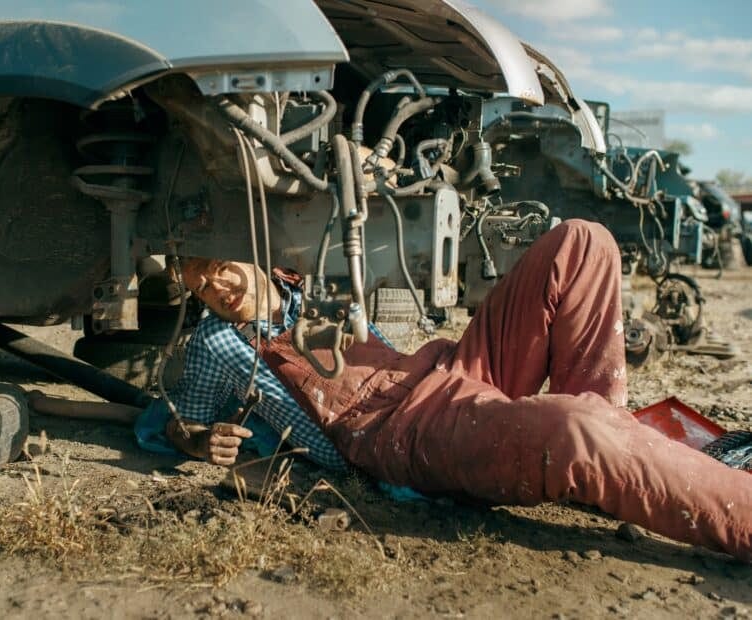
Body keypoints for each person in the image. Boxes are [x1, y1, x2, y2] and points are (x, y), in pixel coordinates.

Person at [142, 219, 752, 561]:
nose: (213, 286)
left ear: (251, 250)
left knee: (583, 241)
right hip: (400, 435)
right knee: (575, 430)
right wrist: (192, 439)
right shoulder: (216, 343)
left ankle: (606, 468)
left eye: (217, 265)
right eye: (196, 283)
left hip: (444, 372)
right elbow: (164, 422)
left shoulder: (318, 280)